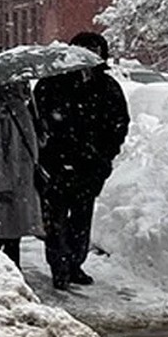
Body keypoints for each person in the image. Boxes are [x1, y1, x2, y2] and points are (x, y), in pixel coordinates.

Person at [34, 31, 130, 290]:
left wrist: (105, 154)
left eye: (95, 50)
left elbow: (119, 123)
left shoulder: (108, 87)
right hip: (56, 164)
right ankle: (59, 265)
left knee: (81, 216)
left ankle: (75, 263)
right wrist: (51, 147)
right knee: (55, 217)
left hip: (91, 165)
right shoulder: (52, 83)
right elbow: (40, 119)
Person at [0, 80, 44, 268]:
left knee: (14, 233)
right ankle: (1, 272)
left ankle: (12, 269)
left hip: (21, 180)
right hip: (5, 181)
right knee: (2, 233)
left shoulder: (21, 106)